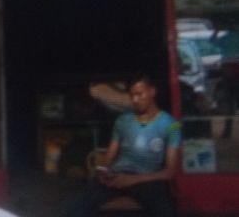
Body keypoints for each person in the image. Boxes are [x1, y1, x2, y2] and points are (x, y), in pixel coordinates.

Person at [66, 73, 181, 217]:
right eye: (132, 95)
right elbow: (110, 155)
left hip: (147, 179)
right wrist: (103, 170)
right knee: (77, 205)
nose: (135, 100)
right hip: (118, 175)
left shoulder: (170, 124)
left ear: (152, 92)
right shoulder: (123, 120)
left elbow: (170, 171)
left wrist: (131, 180)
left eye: (139, 94)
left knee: (164, 210)